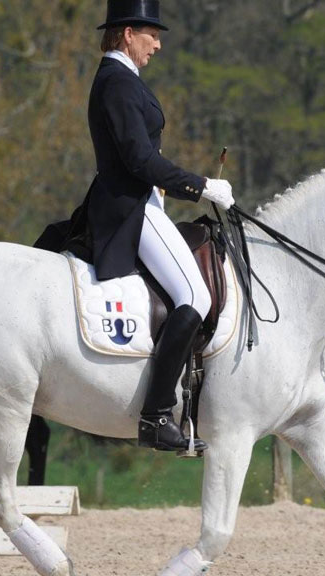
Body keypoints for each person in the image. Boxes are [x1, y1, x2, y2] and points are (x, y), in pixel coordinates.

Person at [78, 0, 234, 452]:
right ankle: (156, 414)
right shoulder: (118, 82)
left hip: (143, 201)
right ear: (128, 33)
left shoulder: (123, 80)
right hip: (130, 207)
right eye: (152, 35)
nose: (158, 45)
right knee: (196, 295)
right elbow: (140, 159)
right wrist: (200, 185)